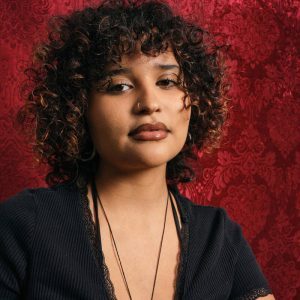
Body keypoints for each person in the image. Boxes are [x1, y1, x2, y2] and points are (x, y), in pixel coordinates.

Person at [0, 0, 275, 299]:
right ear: (78, 107)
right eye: (119, 86)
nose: (149, 103)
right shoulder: (24, 224)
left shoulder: (220, 238)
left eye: (167, 81)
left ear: (194, 99)